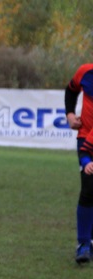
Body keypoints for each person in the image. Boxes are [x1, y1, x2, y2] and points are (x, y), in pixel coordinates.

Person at [65, 63, 93, 264]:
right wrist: (70, 114)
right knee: (89, 188)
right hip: (86, 140)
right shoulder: (85, 72)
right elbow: (70, 90)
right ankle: (83, 243)